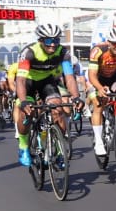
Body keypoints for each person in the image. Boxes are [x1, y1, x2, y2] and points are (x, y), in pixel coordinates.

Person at [13, 22, 83, 167]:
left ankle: (58, 149)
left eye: (56, 40)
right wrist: (24, 101)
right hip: (29, 82)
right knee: (26, 112)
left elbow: (69, 77)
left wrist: (76, 97)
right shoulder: (29, 52)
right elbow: (20, 80)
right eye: (49, 41)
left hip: (47, 82)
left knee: (58, 109)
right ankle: (23, 146)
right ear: (40, 40)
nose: (53, 45)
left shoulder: (63, 53)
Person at [86, 25, 116, 166]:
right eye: (115, 43)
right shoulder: (97, 51)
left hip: (115, 77)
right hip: (98, 78)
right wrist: (100, 88)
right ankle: (99, 141)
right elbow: (92, 75)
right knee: (99, 104)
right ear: (108, 42)